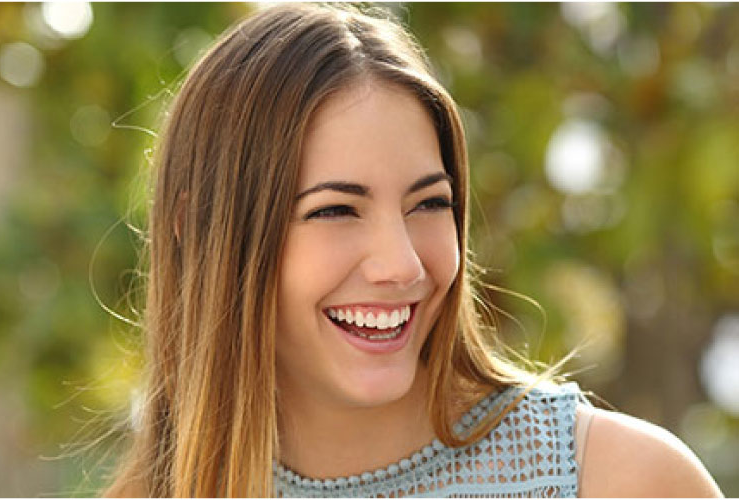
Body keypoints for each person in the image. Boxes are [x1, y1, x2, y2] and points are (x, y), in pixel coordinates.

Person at [104, 4, 723, 497]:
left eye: (428, 203)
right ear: (197, 227)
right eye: (335, 210)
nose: (402, 265)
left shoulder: (626, 482)